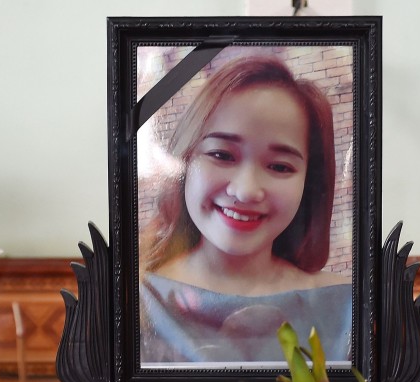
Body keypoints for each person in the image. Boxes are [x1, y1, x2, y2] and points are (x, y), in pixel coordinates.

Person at [139, 54, 353, 365]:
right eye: (222, 155)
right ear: (183, 161)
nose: (246, 190)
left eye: (279, 166)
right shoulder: (136, 301)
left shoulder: (346, 307)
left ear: (309, 183)